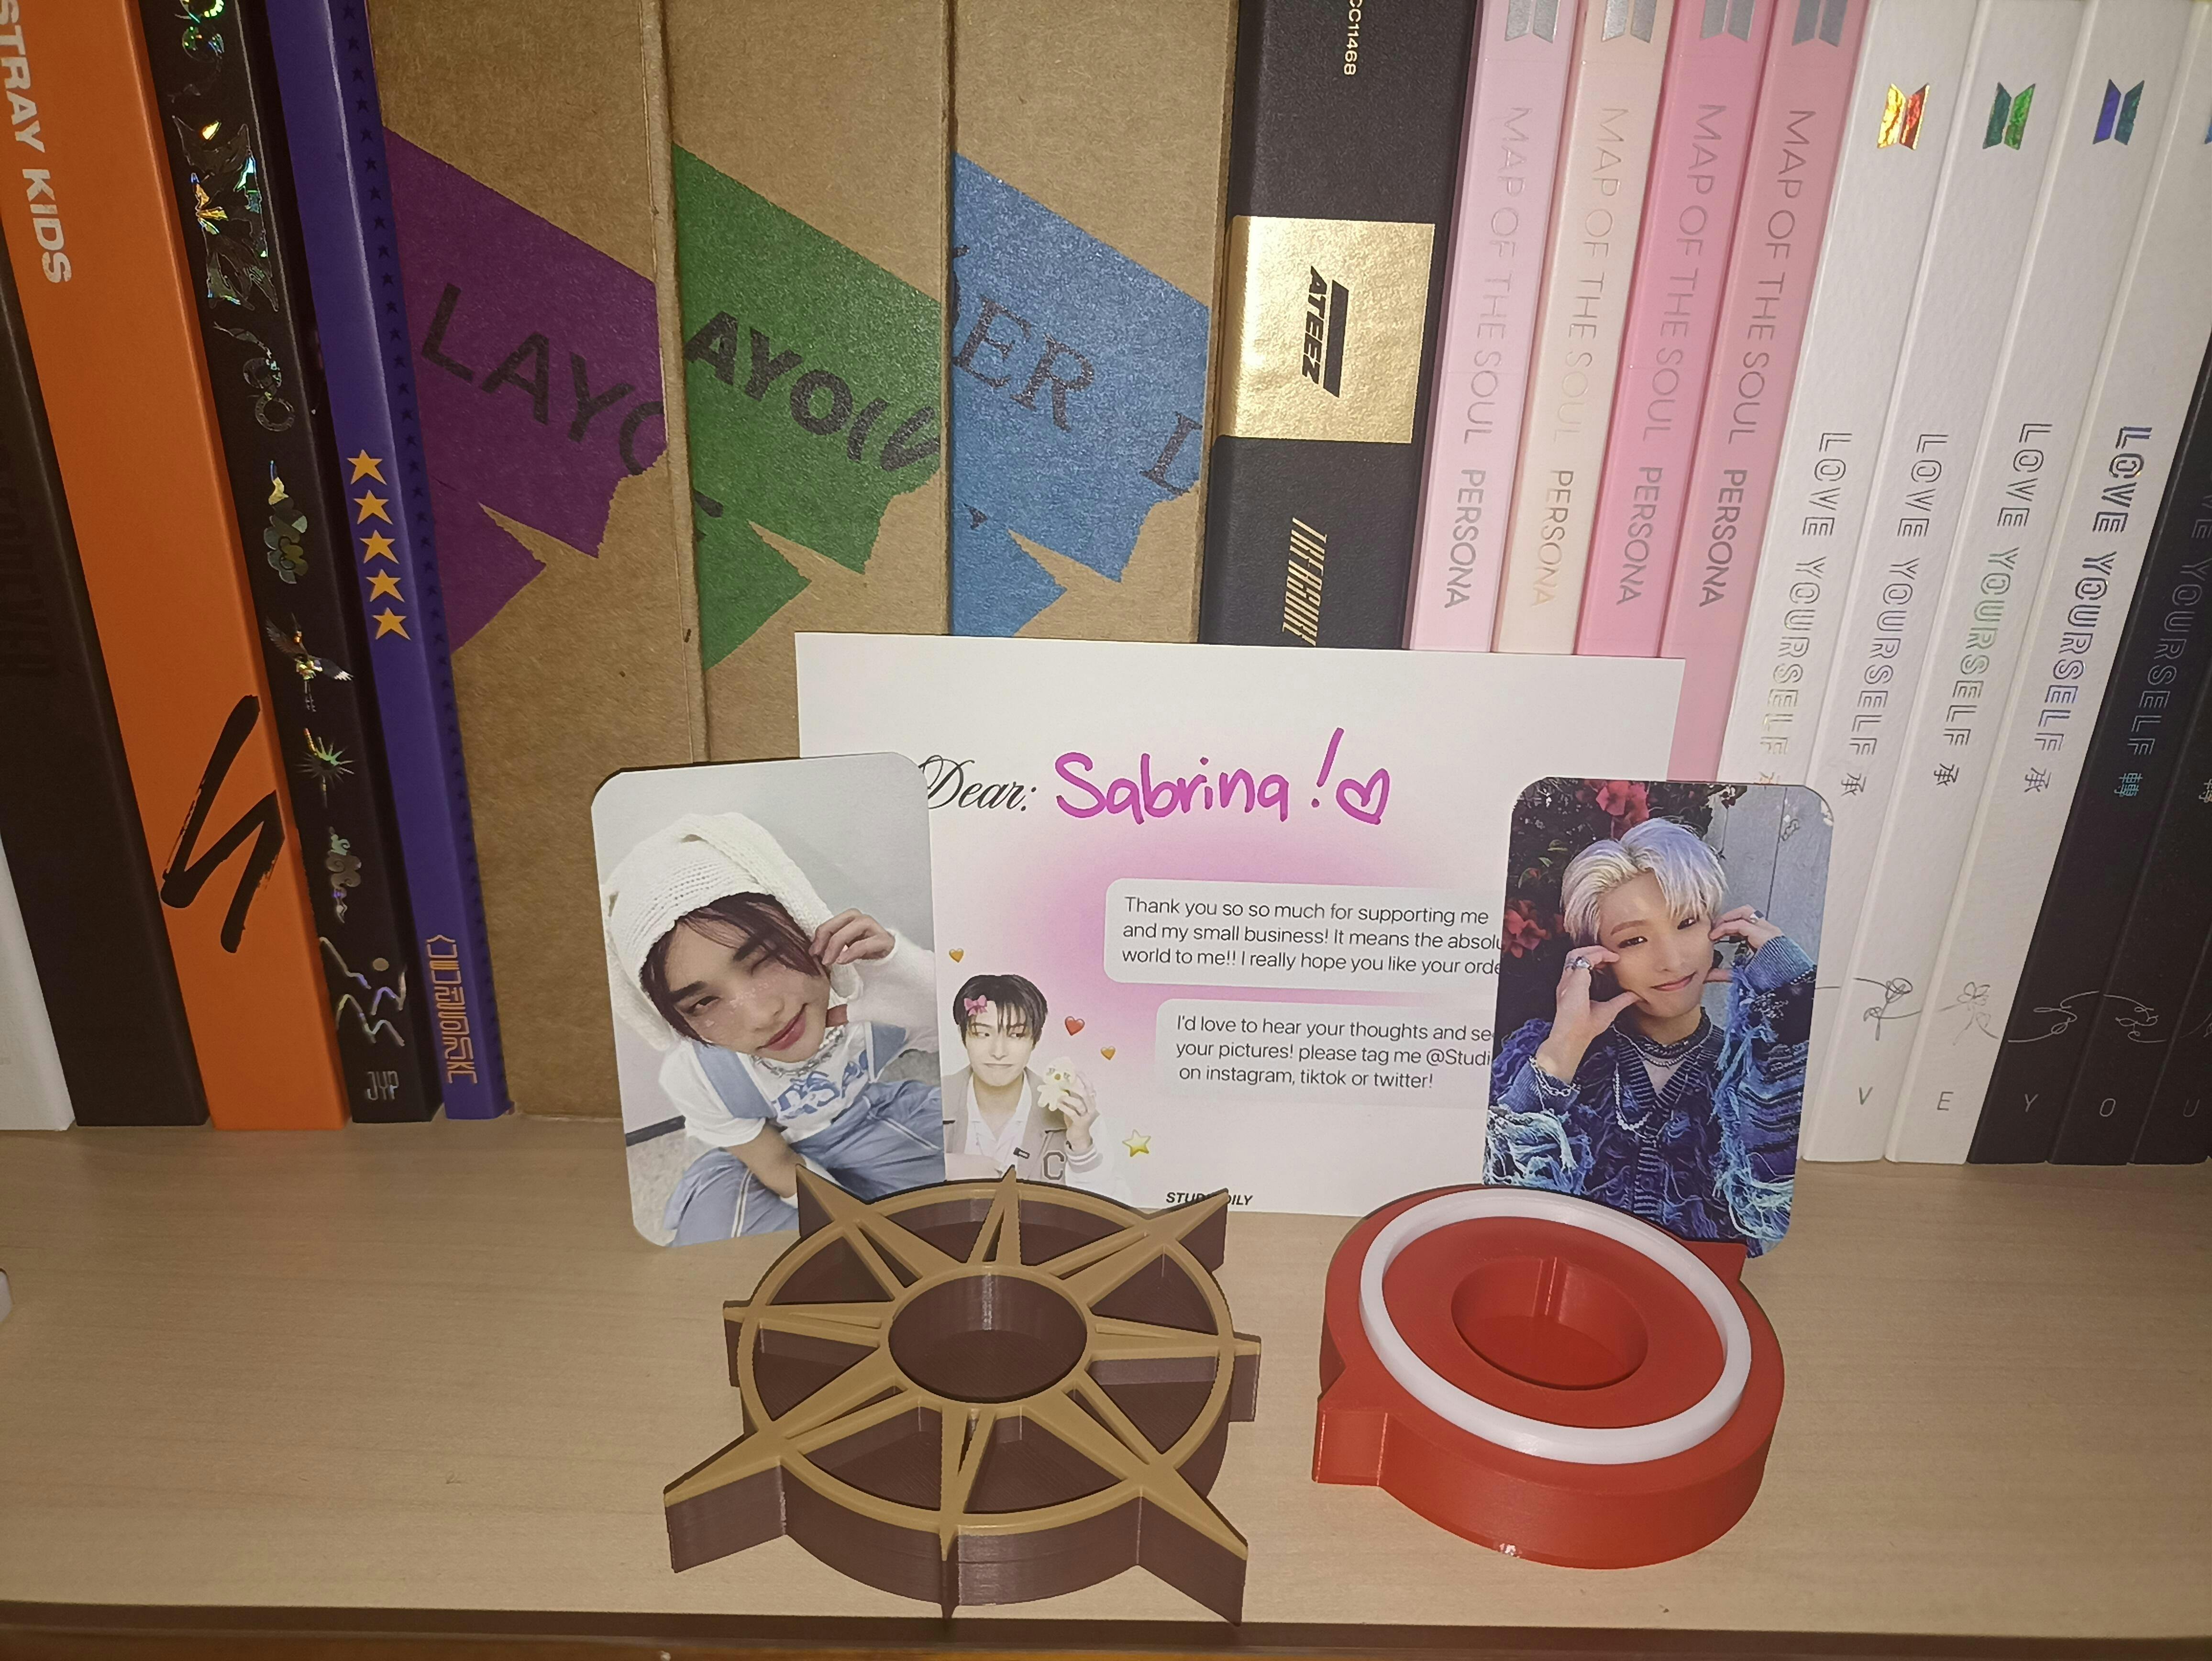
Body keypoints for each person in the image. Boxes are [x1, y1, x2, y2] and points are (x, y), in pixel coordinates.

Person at [601, 812, 942, 1243]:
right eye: (703, 1002)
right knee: (720, 1236)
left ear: (803, 921)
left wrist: (911, 976)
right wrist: (854, 1232)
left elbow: (986, 1039)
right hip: (769, 1158)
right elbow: (776, 1165)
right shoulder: (700, 1076)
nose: (760, 1016)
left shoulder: (874, 993)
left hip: (873, 1119)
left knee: (982, 1168)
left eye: (764, 957)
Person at [1487, 817, 1813, 1254]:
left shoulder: (1756, 1073)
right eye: (1634, 940)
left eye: (1687, 923)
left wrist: (1794, 997)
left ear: (1716, 928)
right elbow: (1498, 1214)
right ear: (1597, 956)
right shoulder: (1540, 1055)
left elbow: (1771, 1222)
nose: (1672, 960)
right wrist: (1563, 1050)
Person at [942, 972, 1130, 1200]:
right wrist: (941, 1167)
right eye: (983, 1033)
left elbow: (1113, 1209)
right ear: (964, 1036)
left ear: (1035, 1039)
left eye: (1016, 1035)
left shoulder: (1073, 1111)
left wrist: (1081, 1142)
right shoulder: (927, 1102)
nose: (998, 1052)